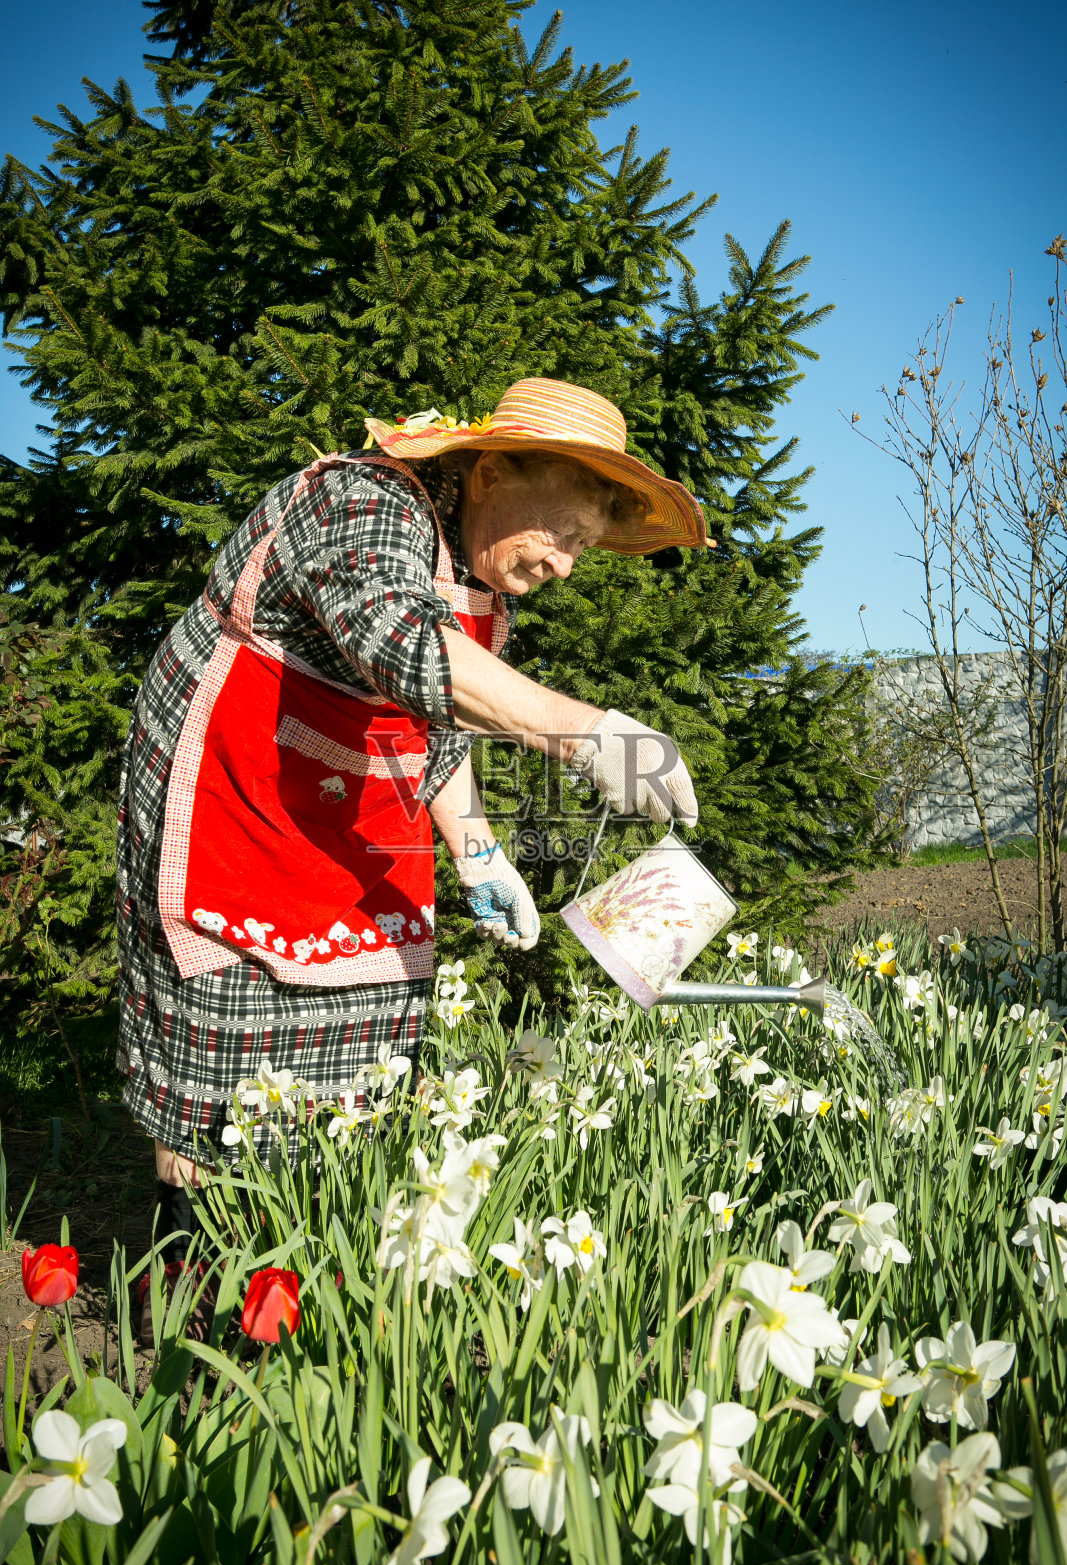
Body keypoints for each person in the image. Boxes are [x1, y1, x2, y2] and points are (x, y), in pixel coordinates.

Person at [116, 376, 705, 1322]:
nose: (564, 566)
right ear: (492, 471)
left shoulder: (477, 583)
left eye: (584, 552)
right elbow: (396, 642)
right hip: (235, 787)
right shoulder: (360, 502)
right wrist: (590, 735)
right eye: (561, 536)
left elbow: (439, 718)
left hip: (354, 799)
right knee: (222, 1033)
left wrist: (475, 849)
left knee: (374, 1015)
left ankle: (315, 1269)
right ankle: (192, 1285)